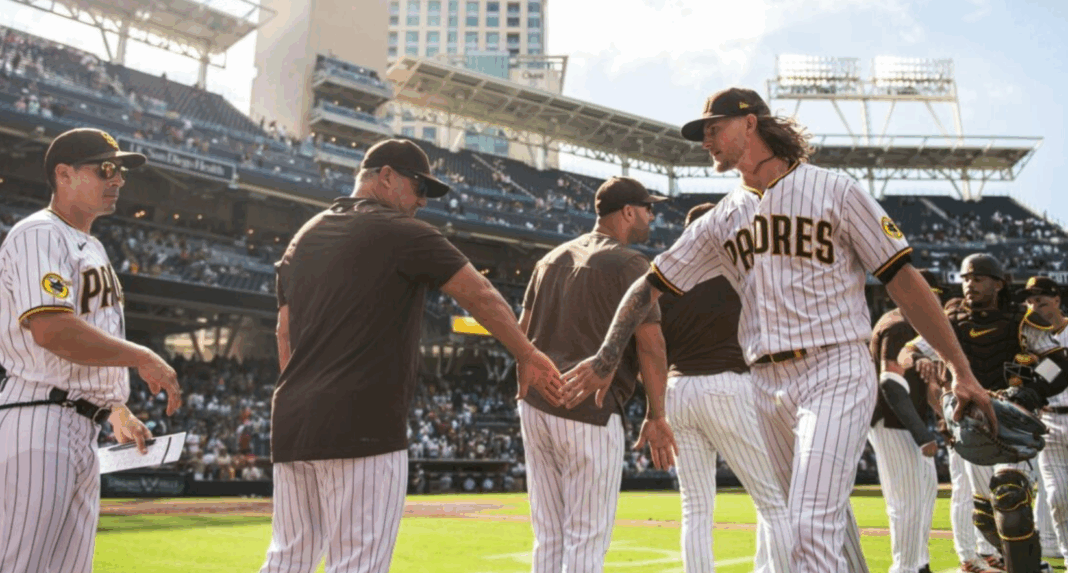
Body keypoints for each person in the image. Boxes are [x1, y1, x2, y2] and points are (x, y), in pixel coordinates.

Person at [563, 87, 994, 573]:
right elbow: (649, 286)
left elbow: (903, 279)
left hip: (835, 365)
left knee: (808, 525)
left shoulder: (835, 190)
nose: (706, 140)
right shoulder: (721, 217)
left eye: (714, 128)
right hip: (765, 384)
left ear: (751, 123)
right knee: (807, 523)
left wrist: (961, 370)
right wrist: (605, 357)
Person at [259, 138, 561, 573]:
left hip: (292, 420)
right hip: (361, 424)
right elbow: (481, 295)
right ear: (385, 177)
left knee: (289, 558)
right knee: (358, 563)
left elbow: (283, 332)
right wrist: (527, 353)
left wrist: (306, 393)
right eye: (419, 187)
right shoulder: (402, 231)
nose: (422, 201)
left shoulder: (302, 237)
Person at [0, 127, 181, 572]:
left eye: (119, 170)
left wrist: (117, 410)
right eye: (105, 168)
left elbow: (82, 341)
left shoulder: (92, 246)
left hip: (82, 426)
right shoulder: (39, 233)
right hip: (39, 418)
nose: (117, 178)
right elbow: (52, 330)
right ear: (63, 174)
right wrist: (142, 355)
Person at [518, 176, 677, 573]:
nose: (652, 215)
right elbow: (651, 345)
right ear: (627, 213)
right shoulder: (631, 263)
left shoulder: (549, 259)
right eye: (647, 208)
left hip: (537, 407)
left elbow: (521, 334)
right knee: (586, 538)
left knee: (549, 535)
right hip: (589, 407)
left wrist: (525, 396)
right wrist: (657, 415)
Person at [901, 255, 1068, 573]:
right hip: (970, 424)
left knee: (1010, 497)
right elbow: (909, 350)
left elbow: (1057, 364)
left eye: (977, 278)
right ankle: (1027, 564)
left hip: (1011, 419)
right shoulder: (949, 318)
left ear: (998, 283)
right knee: (984, 516)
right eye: (965, 278)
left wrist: (1031, 393)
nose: (969, 284)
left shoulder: (1021, 321)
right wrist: (916, 360)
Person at [659, 202, 791, 573]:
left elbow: (651, 346)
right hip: (726, 386)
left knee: (695, 508)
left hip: (676, 389)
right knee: (774, 499)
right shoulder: (738, 271)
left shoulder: (669, 278)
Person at [868, 270, 944, 573]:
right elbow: (890, 382)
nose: (934, 299)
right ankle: (905, 567)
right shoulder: (899, 325)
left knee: (924, 491)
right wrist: (921, 434)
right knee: (907, 501)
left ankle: (918, 563)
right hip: (894, 422)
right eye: (929, 293)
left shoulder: (912, 325)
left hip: (901, 420)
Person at [1023, 276, 1068, 561]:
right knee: (1058, 499)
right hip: (1049, 422)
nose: (1034, 304)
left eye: (1040, 299)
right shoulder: (1027, 340)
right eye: (1029, 300)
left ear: (1057, 300)